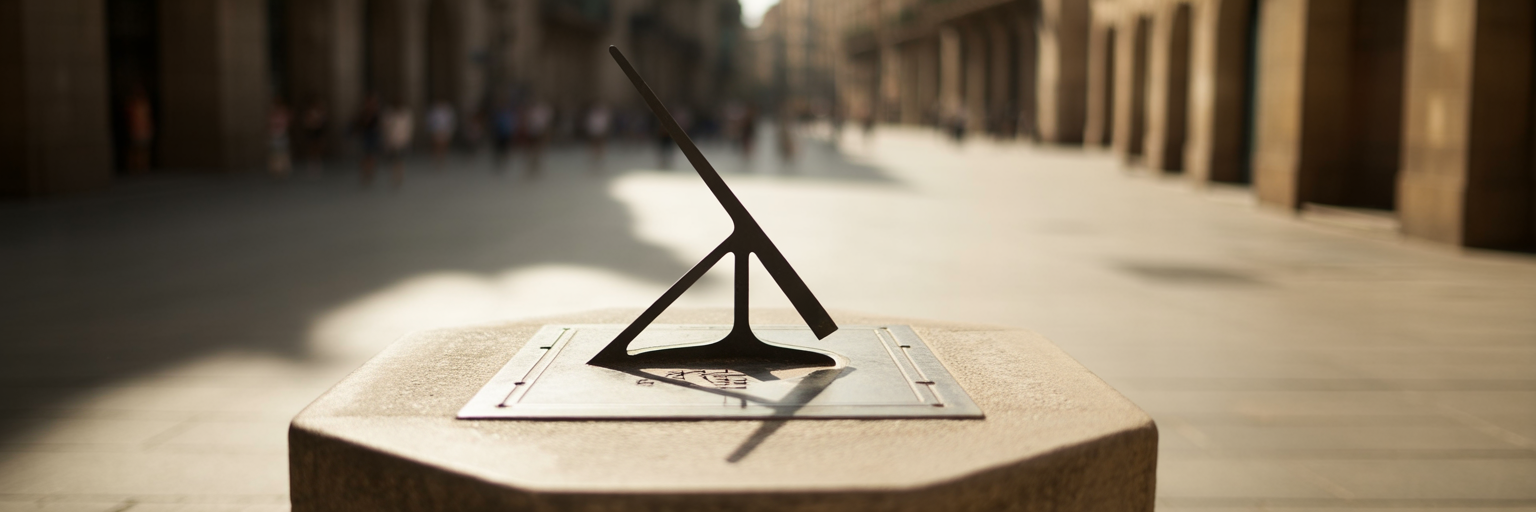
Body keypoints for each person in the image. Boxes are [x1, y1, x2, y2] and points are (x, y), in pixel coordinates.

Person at [381, 102, 413, 188]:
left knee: (400, 159)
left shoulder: (405, 114)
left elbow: (408, 128)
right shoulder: (389, 115)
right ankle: (395, 174)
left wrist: (407, 139)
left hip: (402, 140)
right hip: (392, 141)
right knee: (394, 159)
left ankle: (399, 175)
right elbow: (386, 129)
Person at [354, 94, 383, 187]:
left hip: (373, 136)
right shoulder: (363, 113)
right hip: (366, 136)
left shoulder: (376, 113)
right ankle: (365, 172)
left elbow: (379, 125)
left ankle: (370, 172)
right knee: (365, 156)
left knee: (372, 156)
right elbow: (359, 124)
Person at [124, 85, 154, 173]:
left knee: (144, 150)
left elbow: (148, 116)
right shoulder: (132, 104)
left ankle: (143, 168)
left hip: (144, 129)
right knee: (135, 150)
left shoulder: (145, 103)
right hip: (135, 129)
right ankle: (134, 168)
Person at [299, 100, 329, 177]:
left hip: (318, 132)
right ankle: (312, 163)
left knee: (318, 146)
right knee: (312, 147)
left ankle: (317, 162)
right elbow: (307, 122)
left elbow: (323, 121)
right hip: (311, 131)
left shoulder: (320, 112)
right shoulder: (309, 112)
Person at [523, 101, 552, 178]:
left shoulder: (543, 112)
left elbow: (545, 123)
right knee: (532, 150)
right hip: (532, 133)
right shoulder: (531, 112)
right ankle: (531, 165)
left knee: (538, 150)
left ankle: (535, 165)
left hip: (539, 133)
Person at [426, 100, 456, 169]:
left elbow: (450, 120)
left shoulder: (447, 109)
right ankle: (437, 159)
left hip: (445, 130)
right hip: (436, 130)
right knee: (436, 146)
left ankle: (442, 159)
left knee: (443, 146)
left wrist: (449, 130)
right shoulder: (434, 110)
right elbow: (430, 120)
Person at [268, 99, 292, 177]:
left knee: (282, 152)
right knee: (275, 153)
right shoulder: (273, 115)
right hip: (275, 134)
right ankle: (276, 169)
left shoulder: (282, 114)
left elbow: (285, 122)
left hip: (281, 134)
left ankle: (282, 168)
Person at [585, 103, 611, 172]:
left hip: (601, 132)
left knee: (601, 144)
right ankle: (594, 156)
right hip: (594, 132)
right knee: (594, 144)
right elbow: (590, 123)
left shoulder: (603, 115)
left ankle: (600, 156)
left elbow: (605, 123)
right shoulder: (593, 115)